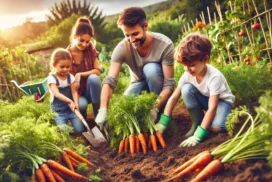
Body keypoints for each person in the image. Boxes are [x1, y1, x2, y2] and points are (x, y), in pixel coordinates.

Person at [95, 7, 176, 130]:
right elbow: (110, 81)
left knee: (151, 69)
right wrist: (103, 109)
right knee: (125, 107)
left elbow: (169, 84)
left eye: (135, 34)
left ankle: (161, 110)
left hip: (158, 84)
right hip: (138, 83)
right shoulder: (122, 48)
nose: (131, 40)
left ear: (145, 26)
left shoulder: (164, 44)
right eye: (127, 35)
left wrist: (154, 107)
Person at [155, 32, 235, 147]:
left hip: (222, 102)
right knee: (186, 89)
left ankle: (219, 117)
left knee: (216, 128)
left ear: (205, 59)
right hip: (206, 100)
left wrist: (198, 136)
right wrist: (163, 123)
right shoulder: (187, 74)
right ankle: (198, 123)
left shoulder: (214, 77)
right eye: (184, 65)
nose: (187, 69)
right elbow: (173, 98)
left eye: (191, 65)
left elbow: (212, 107)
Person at [67, 17, 102, 118]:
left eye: (87, 41)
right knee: (81, 106)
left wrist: (79, 74)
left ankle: (98, 116)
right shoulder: (67, 55)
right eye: (81, 40)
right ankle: (83, 115)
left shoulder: (89, 48)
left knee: (94, 78)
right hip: (77, 93)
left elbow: (97, 70)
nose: (84, 44)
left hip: (90, 90)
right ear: (74, 36)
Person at [48, 48, 84, 133]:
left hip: (70, 110)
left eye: (68, 66)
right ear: (54, 64)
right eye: (62, 67)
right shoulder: (52, 78)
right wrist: (70, 101)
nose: (65, 69)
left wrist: (76, 104)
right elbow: (56, 94)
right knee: (65, 131)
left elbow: (74, 92)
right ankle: (63, 124)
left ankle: (74, 123)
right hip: (59, 111)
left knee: (79, 130)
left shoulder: (70, 77)